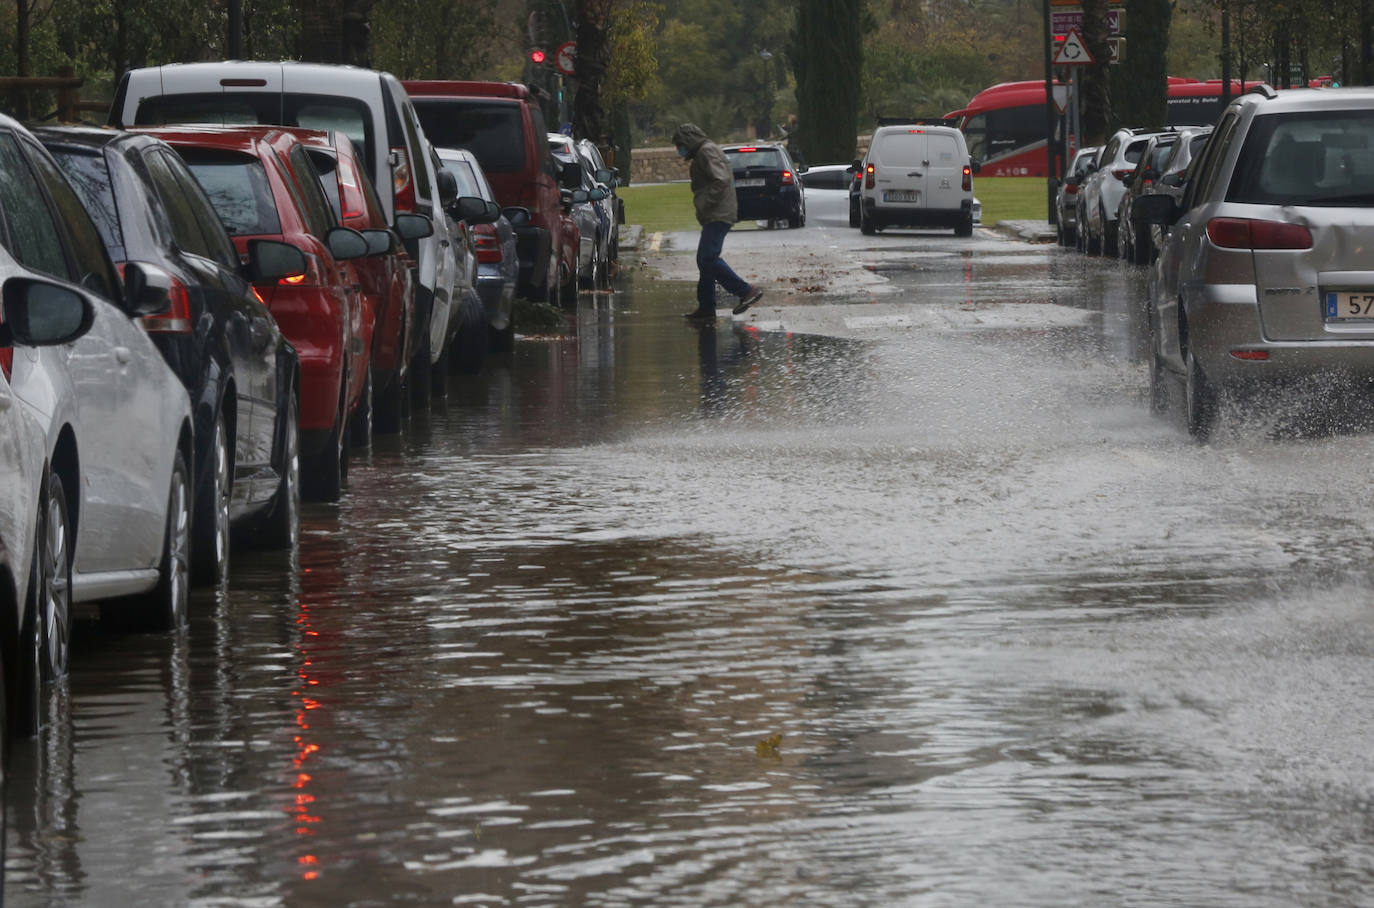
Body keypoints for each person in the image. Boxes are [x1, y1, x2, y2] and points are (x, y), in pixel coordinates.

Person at [671, 123, 763, 321]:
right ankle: (706, 307)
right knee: (704, 260)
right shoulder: (705, 151)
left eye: (680, 144)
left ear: (688, 140)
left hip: (718, 213)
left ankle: (746, 291)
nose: (679, 149)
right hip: (717, 212)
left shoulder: (706, 152)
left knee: (708, 258)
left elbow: (720, 181)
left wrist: (705, 203)